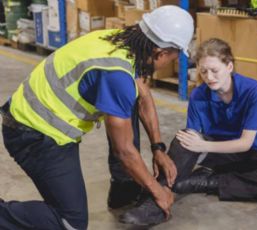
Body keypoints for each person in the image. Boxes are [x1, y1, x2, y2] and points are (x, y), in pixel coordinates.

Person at [0, 5, 194, 230]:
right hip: (34, 134)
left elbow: (143, 97)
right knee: (69, 223)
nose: (172, 62)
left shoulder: (119, 41)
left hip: (31, 118)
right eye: (174, 56)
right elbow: (125, 151)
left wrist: (158, 148)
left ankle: (124, 189)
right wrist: (157, 191)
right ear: (161, 53)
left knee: (125, 102)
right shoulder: (117, 75)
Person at [120, 38, 257, 226]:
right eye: (203, 71)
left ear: (229, 66)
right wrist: (191, 148)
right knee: (183, 140)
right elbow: (191, 138)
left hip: (255, 154)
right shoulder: (198, 94)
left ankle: (207, 182)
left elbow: (245, 143)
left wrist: (203, 145)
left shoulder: (253, 91)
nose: (209, 77)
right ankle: (153, 203)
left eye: (214, 70)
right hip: (219, 155)